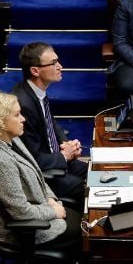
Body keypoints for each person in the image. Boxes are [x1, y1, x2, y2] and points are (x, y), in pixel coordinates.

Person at [0, 92, 81, 250]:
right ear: (1, 122)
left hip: (40, 208)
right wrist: (53, 211)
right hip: (25, 230)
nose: (23, 119)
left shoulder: (11, 138)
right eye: (17, 115)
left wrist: (51, 200)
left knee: (84, 218)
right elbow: (21, 212)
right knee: (88, 232)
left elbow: (37, 174)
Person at [12, 43, 87, 207]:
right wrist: (64, 156)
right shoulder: (23, 105)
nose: (60, 66)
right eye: (53, 63)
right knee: (91, 188)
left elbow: (51, 123)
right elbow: (32, 159)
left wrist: (67, 144)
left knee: (95, 171)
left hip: (54, 158)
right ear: (35, 71)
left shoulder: (35, 92)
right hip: (42, 175)